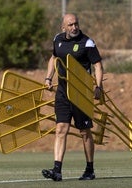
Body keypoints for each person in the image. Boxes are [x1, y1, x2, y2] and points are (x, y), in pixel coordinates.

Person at [42, 13, 103, 181]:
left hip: (81, 93)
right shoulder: (57, 39)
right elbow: (53, 59)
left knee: (84, 132)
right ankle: (57, 170)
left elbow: (97, 65)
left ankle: (89, 169)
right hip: (62, 92)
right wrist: (48, 77)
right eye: (70, 25)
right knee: (61, 129)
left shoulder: (87, 43)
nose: (74, 27)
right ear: (64, 28)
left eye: (76, 24)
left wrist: (98, 86)